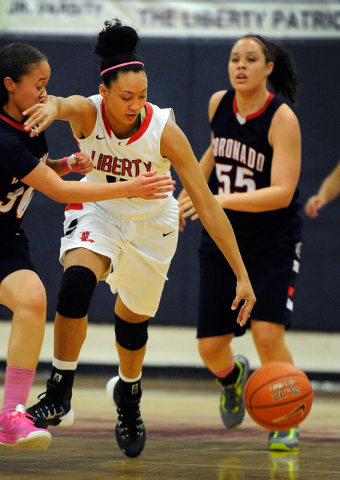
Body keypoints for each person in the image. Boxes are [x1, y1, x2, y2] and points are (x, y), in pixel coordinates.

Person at [23, 19, 256, 458]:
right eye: (126, 97)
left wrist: (242, 274)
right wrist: (52, 108)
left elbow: (206, 204)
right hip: (100, 209)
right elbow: (65, 103)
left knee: (132, 324)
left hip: (153, 227)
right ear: (105, 91)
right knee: (76, 282)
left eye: (143, 96)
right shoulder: (88, 112)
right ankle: (59, 391)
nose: (135, 105)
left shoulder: (163, 131)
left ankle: (128, 397)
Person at [0, 42, 176, 450]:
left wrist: (64, 164)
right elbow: (62, 194)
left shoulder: (30, 123)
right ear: (11, 85)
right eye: (39, 84)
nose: (46, 92)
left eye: (49, 85)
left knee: (33, 298)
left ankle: (11, 418)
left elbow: (35, 173)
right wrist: (134, 186)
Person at [178, 34, 303, 451]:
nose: (240, 66)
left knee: (266, 332)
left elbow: (283, 192)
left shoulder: (282, 119)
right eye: (234, 59)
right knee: (211, 348)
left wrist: (219, 198)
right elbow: (217, 148)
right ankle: (233, 379)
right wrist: (193, 187)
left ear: (268, 67)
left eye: (250, 59)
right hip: (224, 236)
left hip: (272, 239)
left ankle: (287, 417)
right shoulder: (219, 103)